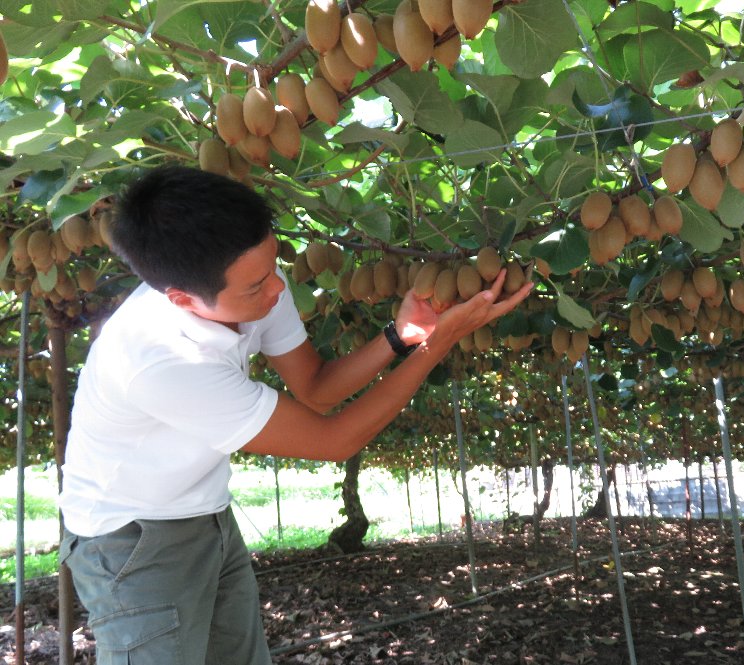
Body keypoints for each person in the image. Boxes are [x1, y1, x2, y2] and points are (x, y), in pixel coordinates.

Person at [58, 164, 533, 664]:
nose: (277, 291)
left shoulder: (253, 283)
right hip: (129, 541)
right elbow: (334, 441)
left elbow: (317, 390)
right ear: (181, 298)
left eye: (272, 267)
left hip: (208, 514)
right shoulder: (164, 362)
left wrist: (402, 337)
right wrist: (440, 344)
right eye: (255, 285)